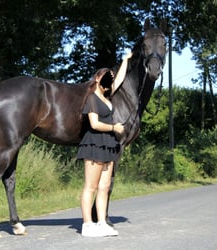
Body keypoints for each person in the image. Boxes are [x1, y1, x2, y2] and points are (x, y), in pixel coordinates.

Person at [77, 51, 133, 237]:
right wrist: (114, 127)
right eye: (105, 77)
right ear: (97, 79)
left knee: (104, 187)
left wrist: (125, 60)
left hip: (109, 145)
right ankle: (87, 225)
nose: (109, 81)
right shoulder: (92, 98)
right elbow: (94, 124)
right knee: (91, 186)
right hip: (94, 144)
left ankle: (101, 223)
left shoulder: (107, 97)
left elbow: (119, 79)